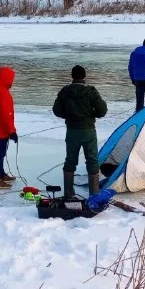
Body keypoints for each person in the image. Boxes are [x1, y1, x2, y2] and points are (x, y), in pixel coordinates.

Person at [53, 65, 108, 198]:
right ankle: (94, 194)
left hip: (72, 131)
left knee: (70, 160)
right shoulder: (91, 91)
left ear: (72, 76)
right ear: (84, 76)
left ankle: (68, 193)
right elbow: (102, 110)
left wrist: (69, 115)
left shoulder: (64, 91)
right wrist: (91, 115)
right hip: (88, 130)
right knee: (92, 160)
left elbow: (56, 110)